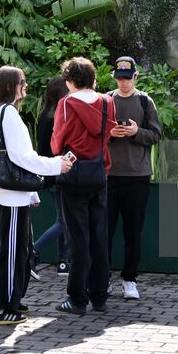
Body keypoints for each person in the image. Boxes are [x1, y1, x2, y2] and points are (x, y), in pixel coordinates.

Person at [0, 66, 71, 325]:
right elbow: (22, 157)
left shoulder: (1, 112)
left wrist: (30, 191)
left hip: (12, 192)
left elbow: (11, 157)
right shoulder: (7, 113)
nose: (26, 86)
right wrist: (56, 165)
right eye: (22, 82)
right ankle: (2, 307)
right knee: (11, 251)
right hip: (10, 194)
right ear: (11, 86)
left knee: (20, 249)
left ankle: (12, 301)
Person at [50, 56, 117, 315]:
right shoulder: (107, 101)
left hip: (73, 174)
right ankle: (100, 296)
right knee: (99, 236)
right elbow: (107, 133)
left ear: (70, 79)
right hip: (99, 173)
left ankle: (77, 299)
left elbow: (57, 142)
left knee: (77, 239)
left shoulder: (66, 103)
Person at [105, 56, 161, 301]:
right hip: (108, 175)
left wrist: (136, 132)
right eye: (119, 78)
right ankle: (102, 277)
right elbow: (95, 135)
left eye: (127, 78)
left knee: (132, 231)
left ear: (136, 77)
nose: (123, 82)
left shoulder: (145, 101)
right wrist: (111, 133)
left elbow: (156, 135)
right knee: (103, 231)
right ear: (114, 77)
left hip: (137, 175)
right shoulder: (105, 100)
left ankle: (130, 279)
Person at [32, 76, 71, 275]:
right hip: (56, 172)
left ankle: (63, 261)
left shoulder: (45, 114)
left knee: (61, 217)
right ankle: (33, 250)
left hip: (51, 172)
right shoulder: (56, 116)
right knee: (64, 221)